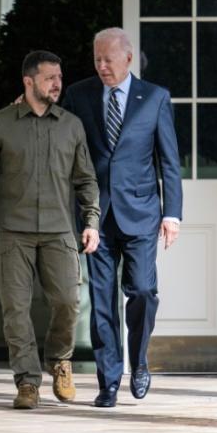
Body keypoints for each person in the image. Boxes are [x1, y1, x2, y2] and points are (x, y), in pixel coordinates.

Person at [0, 50, 100, 410]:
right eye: (49, 78)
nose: (58, 83)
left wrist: (91, 221)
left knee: (68, 302)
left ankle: (60, 360)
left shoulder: (71, 125)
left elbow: (85, 179)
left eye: (59, 76)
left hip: (59, 232)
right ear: (28, 82)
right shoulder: (0, 123)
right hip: (14, 233)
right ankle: (26, 382)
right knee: (16, 310)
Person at [63, 28, 183, 407]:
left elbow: (169, 162)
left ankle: (140, 360)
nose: (101, 67)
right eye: (97, 59)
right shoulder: (79, 95)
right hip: (94, 216)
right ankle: (108, 381)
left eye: (108, 60)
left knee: (143, 291)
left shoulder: (156, 98)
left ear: (128, 59)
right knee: (101, 301)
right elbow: (61, 141)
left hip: (142, 213)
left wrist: (172, 214)